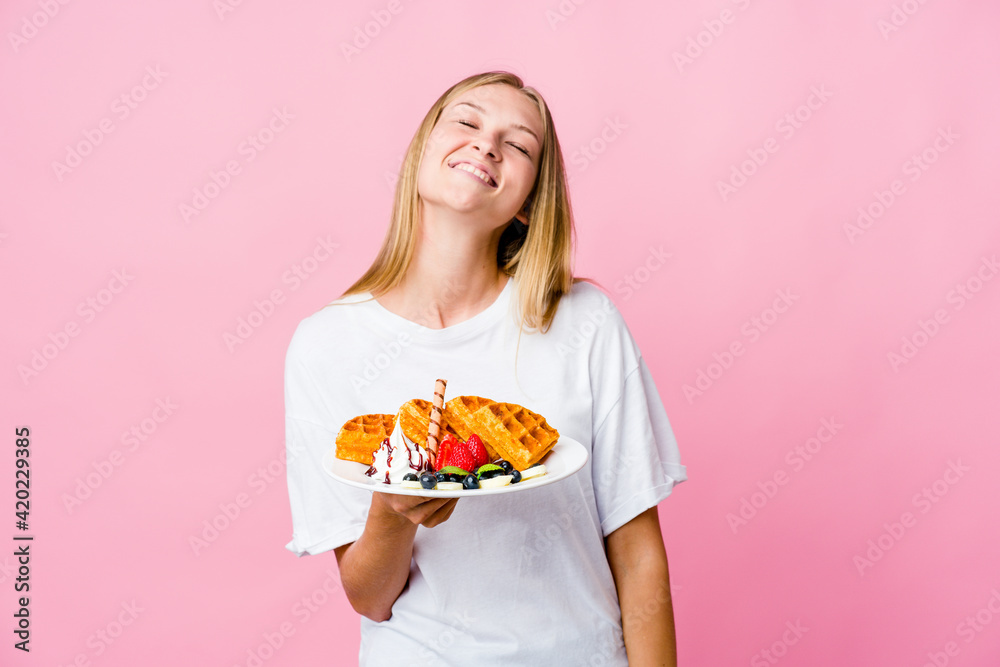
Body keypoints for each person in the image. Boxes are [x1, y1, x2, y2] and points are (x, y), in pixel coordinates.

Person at [283, 71, 688, 666]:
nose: (487, 145)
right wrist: (392, 513)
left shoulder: (584, 322)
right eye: (467, 122)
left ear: (528, 204)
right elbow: (370, 598)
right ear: (422, 151)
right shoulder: (325, 344)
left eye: (519, 144)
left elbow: (638, 553)